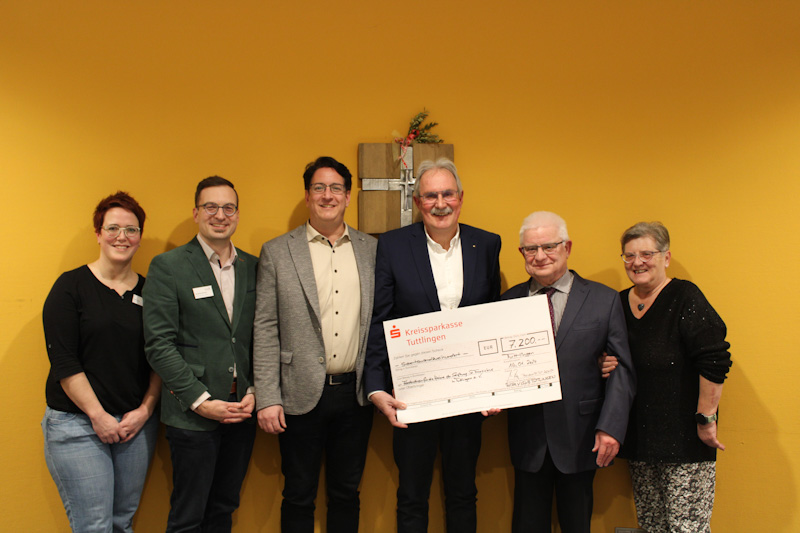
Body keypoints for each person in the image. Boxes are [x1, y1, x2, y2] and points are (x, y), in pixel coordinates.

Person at [365, 158, 501, 533]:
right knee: (411, 495)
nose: (440, 203)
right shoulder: (392, 246)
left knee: (463, 493)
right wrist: (376, 387)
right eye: (430, 196)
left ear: (460, 197)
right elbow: (382, 319)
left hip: (468, 395)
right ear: (417, 202)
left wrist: (497, 382)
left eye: (447, 194)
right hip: (413, 393)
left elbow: (490, 318)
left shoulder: (486, 245)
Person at [253, 156, 377, 533]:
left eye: (336, 188)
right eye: (319, 188)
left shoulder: (371, 249)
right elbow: (265, 326)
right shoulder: (277, 251)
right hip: (298, 394)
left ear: (348, 196)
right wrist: (268, 397)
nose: (328, 195)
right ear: (307, 196)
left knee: (346, 494)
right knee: (298, 494)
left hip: (354, 394)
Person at [502, 211, 636, 533]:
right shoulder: (507, 302)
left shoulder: (603, 299)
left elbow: (623, 371)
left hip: (582, 437)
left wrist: (611, 428)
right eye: (530, 249)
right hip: (528, 438)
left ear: (567, 247)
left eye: (549, 246)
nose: (540, 256)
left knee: (577, 526)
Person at [143, 176, 258, 532]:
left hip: (242, 410)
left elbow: (263, 335)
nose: (219, 215)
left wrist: (255, 390)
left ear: (237, 215)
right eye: (211, 206)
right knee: (188, 516)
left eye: (228, 207)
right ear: (196, 213)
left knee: (224, 508)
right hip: (193, 416)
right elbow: (158, 345)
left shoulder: (254, 266)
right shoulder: (169, 266)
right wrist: (200, 400)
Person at [42, 191, 161, 532]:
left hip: (135, 425)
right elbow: (63, 360)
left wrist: (145, 410)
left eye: (131, 230)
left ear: (139, 237)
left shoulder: (151, 292)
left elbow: (160, 357)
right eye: (113, 228)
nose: (122, 237)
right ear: (98, 233)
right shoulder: (71, 287)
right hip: (78, 424)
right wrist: (99, 417)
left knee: (122, 522)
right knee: (94, 526)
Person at [617, 221, 731, 533]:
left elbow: (715, 359)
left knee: (687, 528)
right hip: (639, 441)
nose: (637, 262)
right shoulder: (618, 303)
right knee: (652, 527)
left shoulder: (685, 297)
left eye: (646, 253)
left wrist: (706, 417)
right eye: (629, 255)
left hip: (685, 441)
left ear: (666, 257)